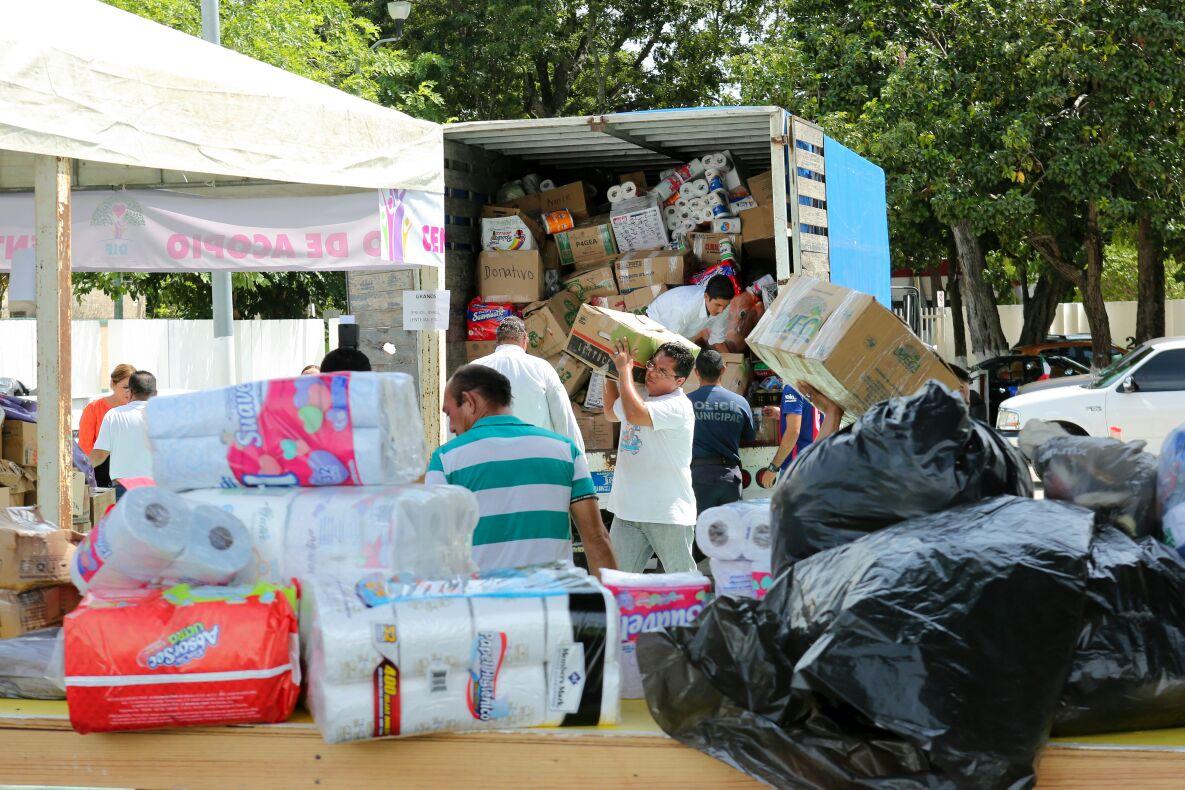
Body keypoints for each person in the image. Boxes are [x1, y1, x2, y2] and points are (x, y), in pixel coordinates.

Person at [424, 364, 617, 577]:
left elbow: (434, 546)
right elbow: (596, 538)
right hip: (553, 602)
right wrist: (613, 604)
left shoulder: (444, 459)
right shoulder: (567, 452)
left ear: (470, 402)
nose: (450, 426)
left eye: (449, 413)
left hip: (481, 603)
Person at [603, 340, 698, 574]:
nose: (652, 372)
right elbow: (609, 413)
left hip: (666, 513)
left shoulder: (678, 406)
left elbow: (635, 414)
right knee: (615, 583)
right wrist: (607, 373)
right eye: (652, 365)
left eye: (662, 371)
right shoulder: (639, 394)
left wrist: (624, 371)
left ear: (680, 381)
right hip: (627, 511)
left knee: (684, 586)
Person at [471, 317, 585, 451]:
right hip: (535, 457)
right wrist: (579, 460)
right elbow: (563, 418)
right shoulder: (541, 368)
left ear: (497, 341)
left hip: (489, 459)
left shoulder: (474, 369)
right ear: (525, 338)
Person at [687, 350, 755, 515]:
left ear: (696, 372)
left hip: (698, 477)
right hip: (729, 477)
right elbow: (749, 437)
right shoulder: (740, 402)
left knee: (700, 533)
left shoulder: (685, 402)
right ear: (723, 369)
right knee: (730, 534)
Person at [89, 370, 157, 499]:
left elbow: (99, 455)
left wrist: (79, 469)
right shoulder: (164, 416)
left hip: (123, 488)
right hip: (157, 486)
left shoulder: (114, 415)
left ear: (130, 391)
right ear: (156, 393)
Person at [78, 363, 135, 488]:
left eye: (133, 388)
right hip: (100, 473)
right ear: (112, 384)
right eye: (125, 387)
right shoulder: (94, 408)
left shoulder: (136, 409)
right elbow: (85, 447)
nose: (129, 392)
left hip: (130, 475)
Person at [756, 383, 822, 489]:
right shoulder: (818, 385)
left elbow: (793, 432)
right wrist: (782, 413)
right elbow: (811, 419)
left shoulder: (793, 387)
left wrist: (773, 467)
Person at [644, 275, 736, 350]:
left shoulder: (723, 307)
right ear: (706, 297)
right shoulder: (685, 308)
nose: (721, 311)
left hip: (682, 332)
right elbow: (671, 342)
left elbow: (718, 338)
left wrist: (732, 362)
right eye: (717, 305)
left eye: (725, 306)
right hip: (655, 324)